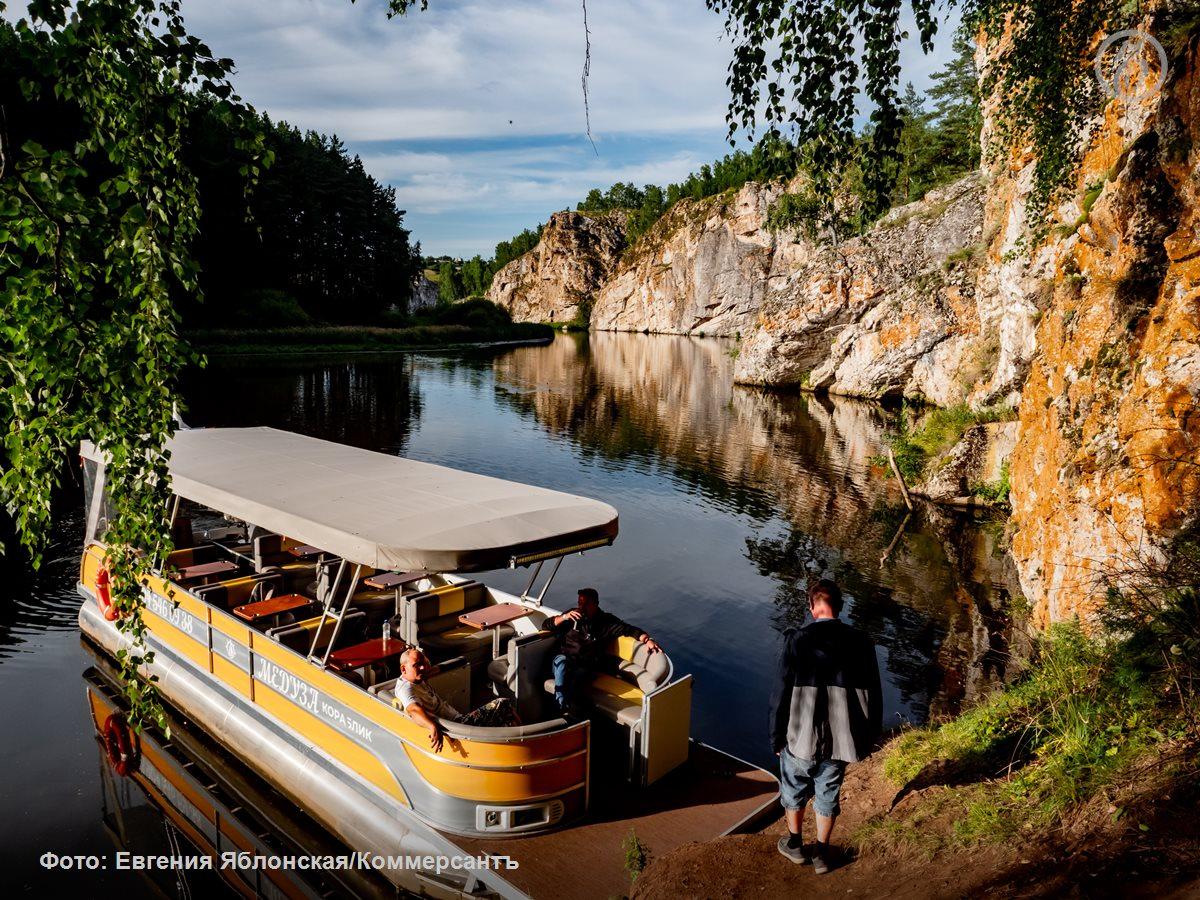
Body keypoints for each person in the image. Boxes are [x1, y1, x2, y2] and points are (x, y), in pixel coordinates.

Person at [770, 578, 882, 874]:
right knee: (828, 789)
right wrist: (870, 735)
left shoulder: (796, 640)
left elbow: (780, 693)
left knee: (794, 786)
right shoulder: (861, 642)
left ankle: (795, 844)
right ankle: (821, 853)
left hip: (800, 733)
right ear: (840, 608)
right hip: (840, 736)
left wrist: (776, 735)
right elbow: (875, 693)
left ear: (812, 607)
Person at [547, 587, 660, 716]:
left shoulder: (606, 622)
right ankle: (563, 710)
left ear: (596, 604)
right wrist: (564, 617)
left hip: (584, 667)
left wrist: (647, 640)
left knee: (572, 678)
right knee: (561, 664)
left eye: (586, 604)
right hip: (563, 660)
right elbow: (546, 625)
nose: (581, 607)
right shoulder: (571, 616)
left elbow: (629, 629)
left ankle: (563, 712)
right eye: (579, 603)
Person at [397, 647, 519, 752]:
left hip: (458, 719)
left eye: (422, 663)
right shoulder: (406, 689)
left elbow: (431, 668)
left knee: (505, 718)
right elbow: (413, 710)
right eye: (417, 665)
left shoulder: (416, 676)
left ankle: (514, 743)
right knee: (502, 703)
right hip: (457, 727)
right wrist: (432, 726)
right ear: (403, 669)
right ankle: (520, 737)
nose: (423, 667)